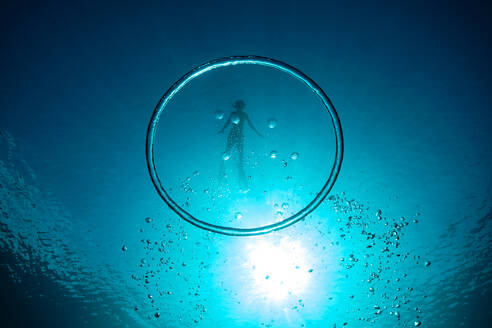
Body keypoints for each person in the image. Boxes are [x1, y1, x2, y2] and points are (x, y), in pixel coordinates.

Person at [218, 99, 263, 191]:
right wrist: (222, 129)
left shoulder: (243, 114)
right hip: (234, 134)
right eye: (239, 106)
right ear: (238, 106)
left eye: (240, 106)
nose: (240, 107)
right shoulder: (237, 114)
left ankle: (237, 166)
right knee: (229, 151)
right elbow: (227, 122)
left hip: (238, 135)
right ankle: (226, 166)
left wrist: (257, 133)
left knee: (238, 152)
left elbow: (250, 125)